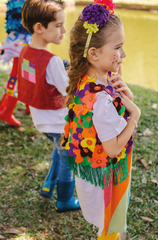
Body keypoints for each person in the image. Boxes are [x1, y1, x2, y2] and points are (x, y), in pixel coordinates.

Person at [61, 0, 141, 239]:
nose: (123, 54)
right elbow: (114, 148)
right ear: (93, 53)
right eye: (118, 47)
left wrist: (125, 96)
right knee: (110, 230)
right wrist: (134, 117)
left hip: (97, 177)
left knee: (108, 227)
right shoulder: (102, 101)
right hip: (107, 179)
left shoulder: (88, 80)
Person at [17, 0, 80, 212]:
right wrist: (74, 73)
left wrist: (60, 68)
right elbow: (68, 91)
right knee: (67, 159)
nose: (64, 30)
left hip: (40, 119)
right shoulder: (51, 61)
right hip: (57, 121)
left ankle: (47, 186)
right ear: (39, 27)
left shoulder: (25, 52)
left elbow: (38, 78)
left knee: (58, 148)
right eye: (58, 25)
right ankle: (65, 200)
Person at [0, 0, 32, 127]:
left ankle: (28, 105)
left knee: (28, 73)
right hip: (22, 41)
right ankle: (7, 110)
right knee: (19, 74)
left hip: (22, 38)